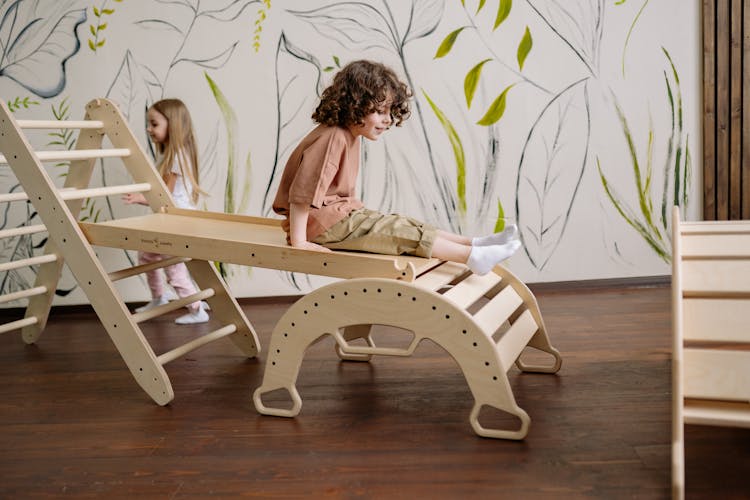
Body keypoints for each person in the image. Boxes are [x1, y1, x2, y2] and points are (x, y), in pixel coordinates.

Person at [272, 60, 520, 275]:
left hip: (337, 217)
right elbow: (303, 192)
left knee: (401, 223)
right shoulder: (334, 137)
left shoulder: (347, 136)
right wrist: (300, 241)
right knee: (395, 232)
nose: (387, 119)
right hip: (322, 225)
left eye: (389, 111)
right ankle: (472, 258)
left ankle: (475, 244)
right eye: (380, 111)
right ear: (354, 105)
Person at [122, 98, 209, 324]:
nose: (148, 129)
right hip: (170, 218)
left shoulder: (176, 156)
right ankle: (159, 296)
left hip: (176, 221)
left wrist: (141, 198)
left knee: (174, 269)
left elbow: (165, 197)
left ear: (173, 124)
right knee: (147, 256)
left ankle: (196, 309)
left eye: (154, 124)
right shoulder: (174, 153)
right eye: (149, 124)